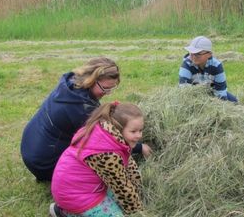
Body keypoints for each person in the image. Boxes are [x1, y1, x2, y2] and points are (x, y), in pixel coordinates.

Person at [21, 57, 152, 182]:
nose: (108, 93)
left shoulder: (70, 84)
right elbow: (107, 140)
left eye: (112, 88)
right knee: (101, 163)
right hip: (45, 163)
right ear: (91, 80)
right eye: (105, 88)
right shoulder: (80, 109)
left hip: (31, 148)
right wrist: (139, 148)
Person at [50, 102, 144, 217]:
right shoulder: (106, 153)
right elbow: (121, 187)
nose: (139, 136)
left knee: (121, 198)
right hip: (75, 196)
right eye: (133, 131)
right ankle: (67, 213)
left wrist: (138, 188)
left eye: (140, 130)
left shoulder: (109, 136)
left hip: (79, 187)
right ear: (119, 128)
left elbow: (128, 165)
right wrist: (138, 211)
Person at [178, 36, 238, 102]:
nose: (193, 56)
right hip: (194, 98)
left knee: (234, 101)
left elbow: (221, 92)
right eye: (191, 53)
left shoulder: (216, 66)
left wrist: (215, 104)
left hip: (212, 94)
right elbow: (185, 92)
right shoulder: (186, 65)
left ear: (209, 54)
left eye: (197, 54)